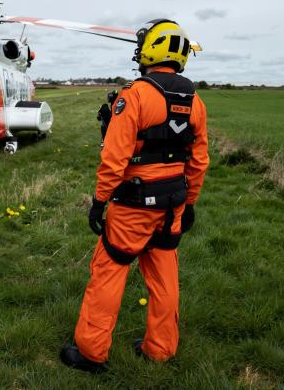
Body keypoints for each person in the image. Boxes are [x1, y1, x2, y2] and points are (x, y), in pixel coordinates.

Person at [61, 19, 209, 373]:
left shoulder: (136, 95)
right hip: (173, 202)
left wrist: (99, 201)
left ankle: (92, 352)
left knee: (109, 271)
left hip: (133, 205)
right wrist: (189, 202)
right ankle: (160, 348)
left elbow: (114, 158)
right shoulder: (195, 101)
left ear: (151, 50)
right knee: (163, 275)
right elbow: (199, 160)